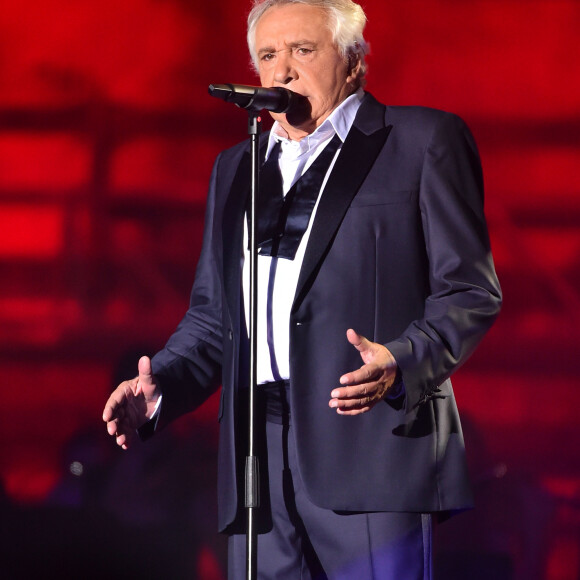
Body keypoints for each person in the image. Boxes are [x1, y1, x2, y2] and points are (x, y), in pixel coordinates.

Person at [102, 0, 502, 578]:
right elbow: (215, 318)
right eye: (268, 55)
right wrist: (161, 383)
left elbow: (470, 290)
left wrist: (401, 359)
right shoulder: (236, 167)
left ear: (354, 61)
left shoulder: (420, 142)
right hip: (255, 466)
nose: (282, 70)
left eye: (303, 50)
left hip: (369, 445)